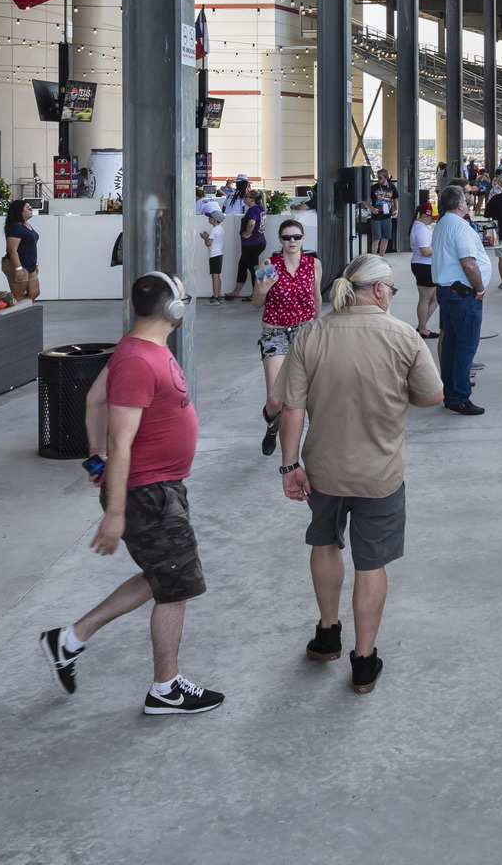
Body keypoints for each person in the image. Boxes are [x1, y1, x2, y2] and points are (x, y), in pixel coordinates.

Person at [39, 273, 223, 716]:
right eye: (184, 298)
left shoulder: (134, 347)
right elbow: (123, 440)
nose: (186, 303)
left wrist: (95, 456)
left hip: (160, 488)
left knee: (163, 573)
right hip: (148, 492)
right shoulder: (139, 359)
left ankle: (70, 639)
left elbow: (95, 399)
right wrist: (115, 511)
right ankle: (166, 689)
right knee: (175, 586)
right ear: (173, 309)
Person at [277, 256, 443, 693]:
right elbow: (433, 396)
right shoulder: (403, 335)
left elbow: (291, 408)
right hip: (380, 474)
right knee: (371, 564)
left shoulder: (312, 334)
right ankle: (363, 661)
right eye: (393, 288)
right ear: (380, 290)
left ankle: (328, 633)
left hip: (323, 472)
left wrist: (290, 465)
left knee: (325, 543)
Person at [253, 215, 320, 456]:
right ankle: (272, 427)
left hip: (304, 332)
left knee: (309, 394)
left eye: (297, 237)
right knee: (274, 399)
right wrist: (263, 288)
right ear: (280, 240)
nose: (292, 241)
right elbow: (256, 303)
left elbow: (316, 297)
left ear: (303, 239)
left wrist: (318, 326)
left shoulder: (313, 264)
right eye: (287, 237)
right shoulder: (267, 264)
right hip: (275, 333)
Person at [429, 184, 489, 416]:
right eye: (467, 197)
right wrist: (480, 288)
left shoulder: (443, 223)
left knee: (453, 343)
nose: (470, 199)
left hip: (449, 291)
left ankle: (452, 392)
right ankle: (460, 396)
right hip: (463, 294)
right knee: (466, 344)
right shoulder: (460, 227)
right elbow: (469, 263)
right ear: (460, 204)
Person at [227, 199, 268, 301]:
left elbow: (251, 223)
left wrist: (246, 233)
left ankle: (256, 294)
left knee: (253, 268)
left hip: (251, 244)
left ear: (251, 199)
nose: (244, 197)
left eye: (247, 196)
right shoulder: (260, 209)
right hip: (258, 242)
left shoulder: (252, 210)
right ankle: (237, 291)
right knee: (243, 265)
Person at [407, 196, 436, 337]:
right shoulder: (421, 229)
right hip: (424, 265)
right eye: (432, 218)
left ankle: (422, 326)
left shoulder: (420, 226)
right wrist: (440, 247)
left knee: (435, 298)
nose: (433, 220)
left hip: (424, 265)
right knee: (426, 298)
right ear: (425, 216)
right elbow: (425, 251)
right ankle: (422, 329)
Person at [1, 199, 41, 303]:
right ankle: (15, 313)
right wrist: (18, 268)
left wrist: (35, 263)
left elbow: (30, 247)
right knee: (19, 295)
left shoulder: (26, 224)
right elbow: (12, 249)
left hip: (29, 263)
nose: (31, 210)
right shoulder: (15, 226)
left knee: (35, 292)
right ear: (20, 211)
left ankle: (18, 307)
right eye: (28, 208)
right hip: (17, 264)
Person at [199, 202, 228, 304]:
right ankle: (218, 294)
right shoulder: (221, 229)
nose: (209, 218)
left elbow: (208, 243)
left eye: (210, 217)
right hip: (219, 254)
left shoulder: (214, 230)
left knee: (214, 275)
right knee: (217, 275)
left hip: (214, 255)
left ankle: (215, 297)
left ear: (215, 220)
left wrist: (204, 237)